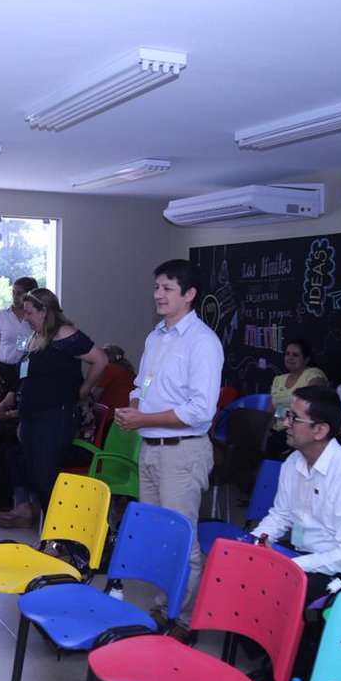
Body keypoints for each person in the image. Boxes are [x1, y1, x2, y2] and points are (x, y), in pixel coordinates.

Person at [114, 259, 223, 644]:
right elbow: (142, 385)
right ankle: (165, 605)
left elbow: (200, 412)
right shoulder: (155, 337)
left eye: (167, 288)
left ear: (189, 295)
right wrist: (133, 407)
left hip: (183, 452)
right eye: (156, 287)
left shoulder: (203, 343)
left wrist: (144, 419)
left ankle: (187, 618)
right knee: (160, 535)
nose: (158, 294)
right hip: (152, 448)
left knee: (183, 537)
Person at [251, 385, 341, 681]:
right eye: (288, 415)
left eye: (293, 418)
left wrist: (292, 566)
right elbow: (280, 515)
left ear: (320, 430)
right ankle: (269, 654)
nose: (286, 423)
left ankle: (286, 677)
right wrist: (256, 543)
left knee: (284, 587)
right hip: (304, 557)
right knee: (249, 571)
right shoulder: (294, 462)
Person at [0, 288, 107, 528]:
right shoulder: (36, 337)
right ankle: (54, 534)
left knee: (46, 479)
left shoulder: (64, 334)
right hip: (33, 417)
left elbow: (100, 359)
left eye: (29, 312)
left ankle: (62, 537)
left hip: (56, 416)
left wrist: (84, 391)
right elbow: (26, 378)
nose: (25, 318)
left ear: (44, 311)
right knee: (36, 477)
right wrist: (23, 419)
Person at [266, 339, 329, 459]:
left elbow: (312, 409)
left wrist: (287, 422)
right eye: (287, 354)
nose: (290, 358)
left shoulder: (313, 375)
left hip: (298, 429)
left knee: (270, 445)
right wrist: (265, 428)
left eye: (295, 355)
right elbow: (273, 409)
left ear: (306, 359)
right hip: (278, 428)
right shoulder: (278, 379)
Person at [0, 276, 38, 399]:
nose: (15, 297)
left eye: (19, 294)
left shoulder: (36, 317)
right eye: (13, 293)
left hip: (28, 367)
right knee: (2, 407)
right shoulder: (1, 315)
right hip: (5, 368)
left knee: (24, 405)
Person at [94, 343, 135, 412]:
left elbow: (96, 394)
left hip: (110, 412)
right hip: (126, 411)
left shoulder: (110, 369)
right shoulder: (129, 371)